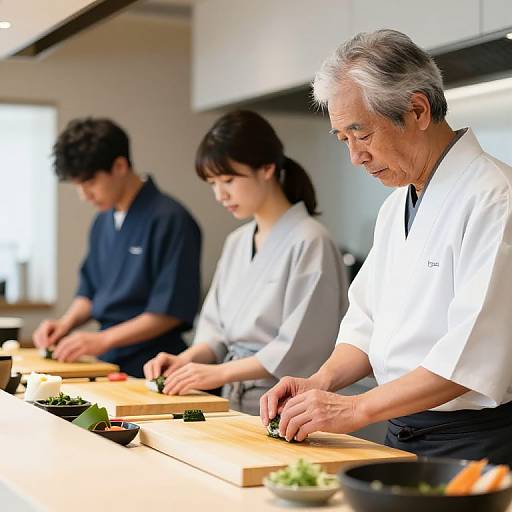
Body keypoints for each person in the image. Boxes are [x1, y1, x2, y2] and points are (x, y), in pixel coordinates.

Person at [260, 29, 512, 465]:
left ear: (416, 110)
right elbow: (366, 324)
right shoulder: (395, 207)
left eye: (362, 134)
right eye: (343, 139)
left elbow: (471, 356)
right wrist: (321, 381)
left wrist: (357, 407)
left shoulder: (496, 198)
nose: (355, 157)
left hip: (473, 445)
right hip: (403, 433)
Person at [144, 110, 348, 415]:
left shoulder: (311, 241)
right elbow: (215, 328)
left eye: (228, 179)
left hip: (286, 404)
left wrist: (218, 373)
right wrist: (187, 359)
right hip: (233, 401)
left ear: (266, 169)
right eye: (212, 183)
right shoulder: (237, 241)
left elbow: (300, 347)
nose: (220, 194)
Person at [33, 118, 201, 377]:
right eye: (77, 185)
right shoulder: (103, 221)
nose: (83, 195)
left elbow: (170, 311)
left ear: (120, 166)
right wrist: (64, 324)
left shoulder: (171, 219)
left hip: (154, 363)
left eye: (89, 182)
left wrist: (101, 340)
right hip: (107, 359)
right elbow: (90, 292)